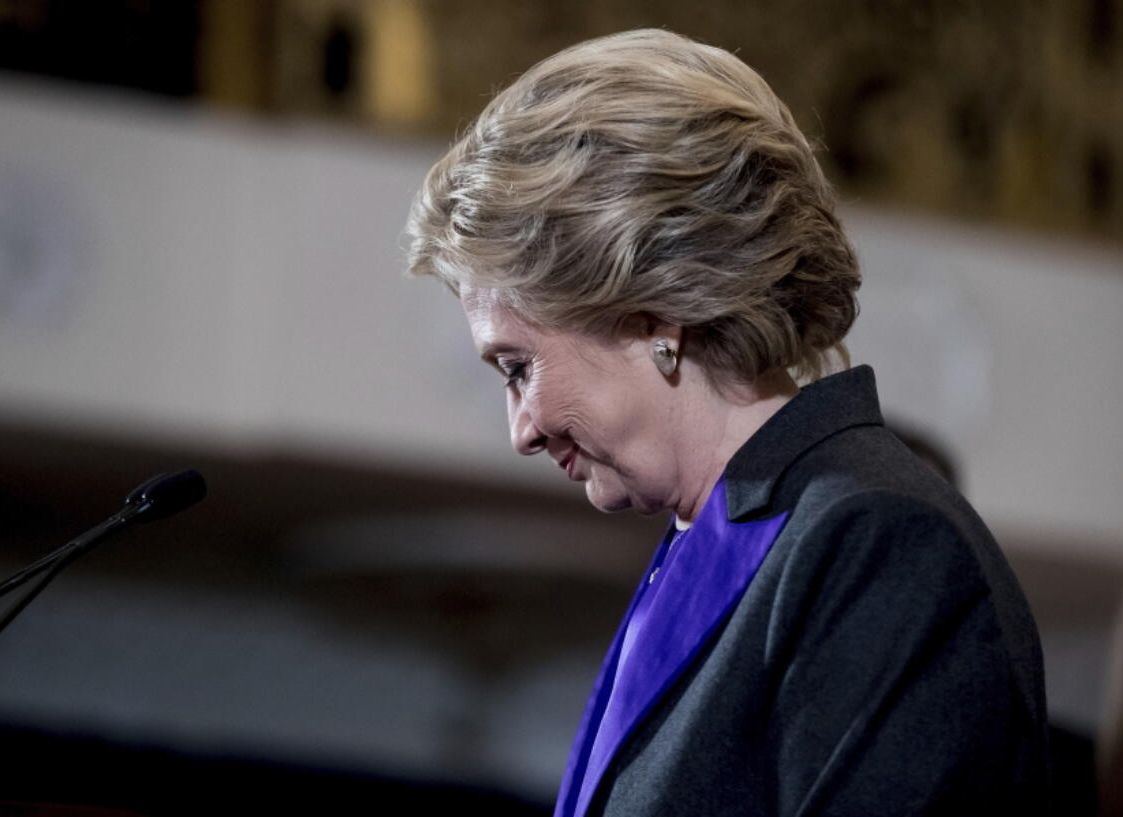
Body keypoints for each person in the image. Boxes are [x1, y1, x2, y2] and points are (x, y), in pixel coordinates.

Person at [405, 29, 1049, 817]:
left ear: (654, 313)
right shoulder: (706, 551)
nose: (523, 430)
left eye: (518, 367)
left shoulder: (877, 543)